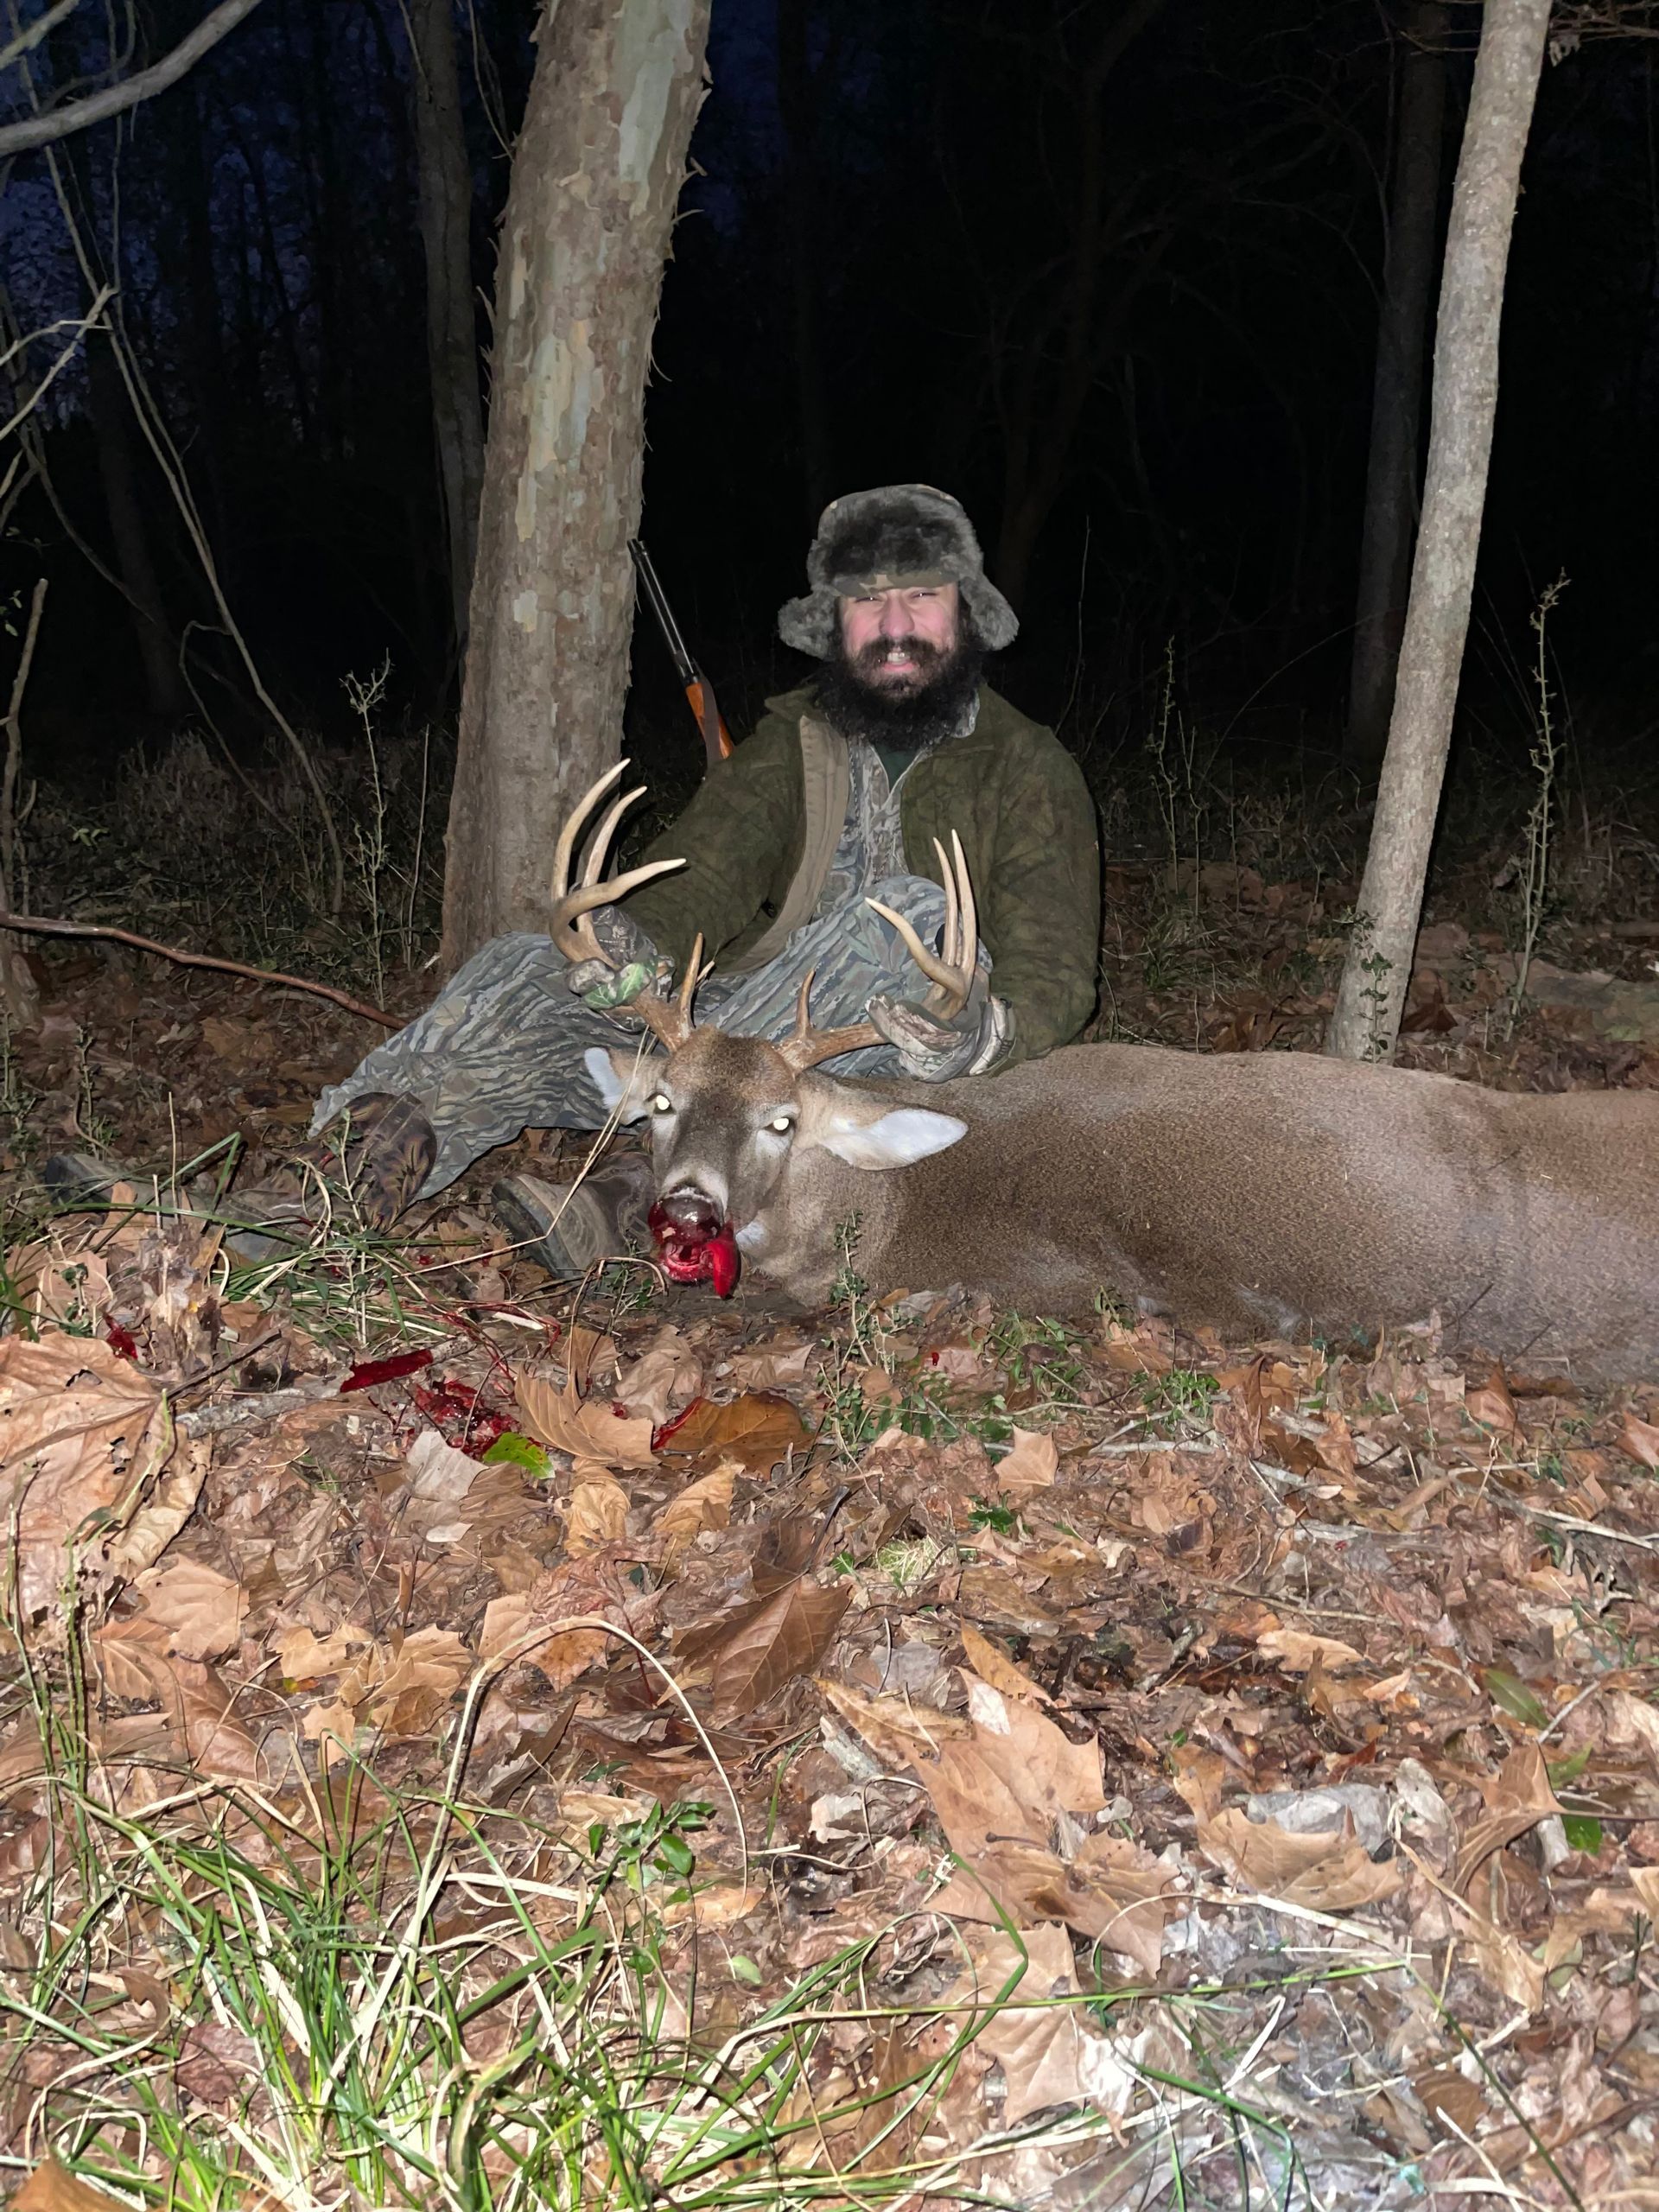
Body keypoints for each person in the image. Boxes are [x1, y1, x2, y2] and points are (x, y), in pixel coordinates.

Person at [50, 485, 1101, 1274]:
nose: (895, 627)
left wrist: (978, 1033)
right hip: (712, 1046)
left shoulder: (1030, 769)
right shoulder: (794, 746)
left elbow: (1057, 980)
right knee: (527, 962)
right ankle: (319, 1198)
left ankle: (625, 1202)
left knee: (907, 920)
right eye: (867, 606)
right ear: (835, 628)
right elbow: (696, 884)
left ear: (964, 615)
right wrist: (626, 959)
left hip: (840, 1088)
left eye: (920, 598)